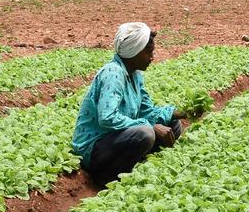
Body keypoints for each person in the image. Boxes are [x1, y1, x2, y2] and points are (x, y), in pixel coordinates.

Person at [72, 22, 187, 185]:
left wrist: (182, 112)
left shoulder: (135, 75)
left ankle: (135, 165)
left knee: (173, 125)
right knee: (146, 133)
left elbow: (147, 111)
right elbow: (107, 117)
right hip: (95, 146)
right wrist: (150, 126)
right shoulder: (113, 74)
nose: (152, 58)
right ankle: (109, 177)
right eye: (148, 52)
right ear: (134, 52)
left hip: (118, 139)